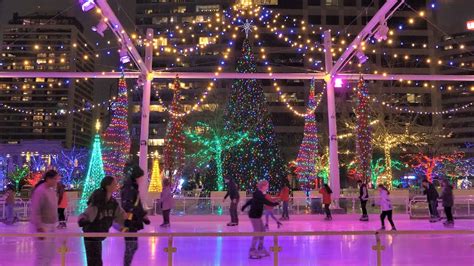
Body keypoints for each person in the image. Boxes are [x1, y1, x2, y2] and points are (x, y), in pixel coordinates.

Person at [78, 176, 126, 266]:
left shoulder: (113, 203)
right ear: (108, 186)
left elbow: (121, 216)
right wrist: (82, 220)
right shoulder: (97, 200)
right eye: (114, 184)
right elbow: (87, 214)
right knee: (94, 262)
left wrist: (126, 225)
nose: (116, 185)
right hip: (91, 234)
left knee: (97, 261)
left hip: (99, 235)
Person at [241, 180, 279, 259]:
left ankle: (260, 248)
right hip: (254, 215)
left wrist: (244, 206)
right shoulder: (259, 194)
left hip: (257, 215)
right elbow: (264, 201)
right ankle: (252, 250)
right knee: (257, 232)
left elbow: (252, 200)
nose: (268, 187)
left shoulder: (259, 194)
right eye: (267, 186)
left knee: (262, 231)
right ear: (262, 186)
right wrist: (274, 204)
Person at [121, 166, 151, 266]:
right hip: (130, 222)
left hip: (132, 221)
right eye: (141, 177)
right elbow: (128, 205)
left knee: (133, 245)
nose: (142, 179)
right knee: (131, 245)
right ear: (136, 176)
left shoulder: (133, 187)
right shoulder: (129, 188)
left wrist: (143, 215)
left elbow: (136, 204)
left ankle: (127, 264)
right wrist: (140, 215)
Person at [30, 169, 60, 266]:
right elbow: (36, 209)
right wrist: (39, 227)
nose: (56, 181)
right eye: (55, 179)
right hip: (43, 227)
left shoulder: (51, 191)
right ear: (48, 179)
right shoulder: (40, 191)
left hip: (51, 226)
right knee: (42, 254)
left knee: (50, 253)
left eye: (57, 179)